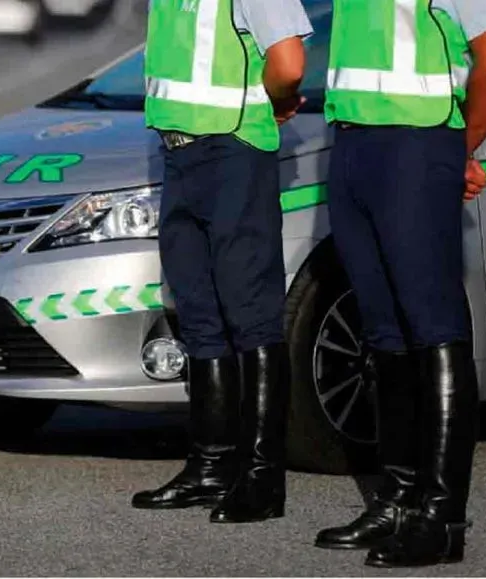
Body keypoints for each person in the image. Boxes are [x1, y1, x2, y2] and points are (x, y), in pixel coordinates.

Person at [313, 0, 486, 567]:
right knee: (383, 330)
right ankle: (398, 498)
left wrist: (456, 149)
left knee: (434, 327)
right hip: (352, 145)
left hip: (418, 145)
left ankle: (441, 517)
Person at [131, 0, 312, 523]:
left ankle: (261, 477)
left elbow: (289, 64)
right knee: (200, 312)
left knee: (250, 313)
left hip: (232, 150)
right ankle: (210, 465)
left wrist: (271, 101)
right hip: (178, 153)